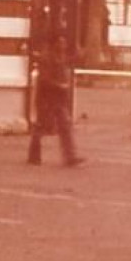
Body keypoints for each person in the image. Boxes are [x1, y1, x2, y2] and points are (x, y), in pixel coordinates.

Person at [27, 35, 84, 166]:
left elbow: (69, 62)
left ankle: (70, 157)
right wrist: (60, 85)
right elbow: (45, 80)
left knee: (65, 127)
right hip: (47, 98)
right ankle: (34, 155)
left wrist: (78, 54)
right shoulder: (47, 59)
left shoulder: (59, 57)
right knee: (41, 127)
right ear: (55, 45)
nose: (64, 45)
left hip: (58, 98)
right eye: (61, 43)